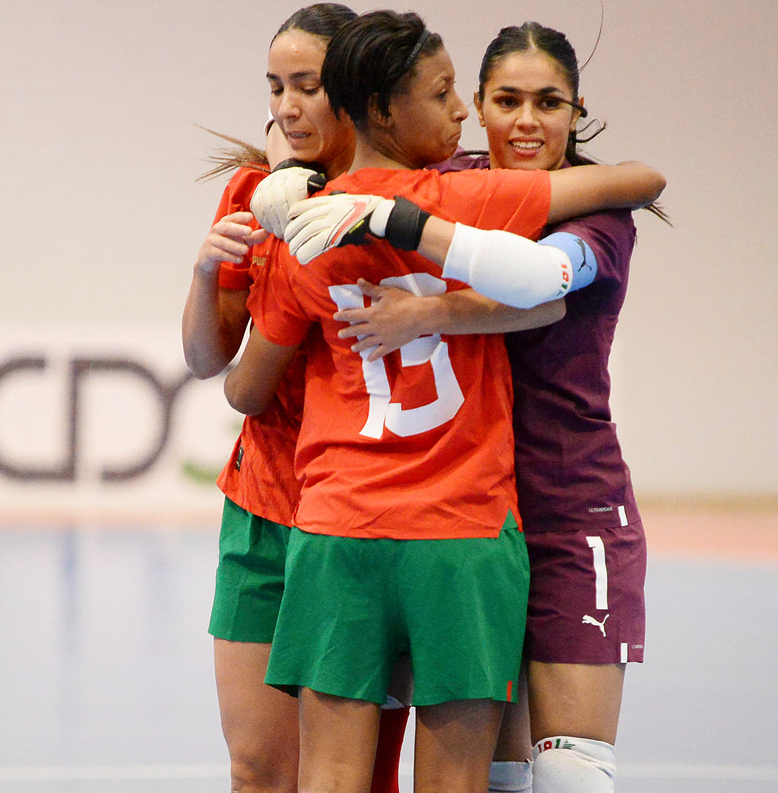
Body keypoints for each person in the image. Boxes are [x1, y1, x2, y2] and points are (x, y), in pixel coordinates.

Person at [225, 11, 664, 793]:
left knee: (561, 777)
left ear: (577, 111)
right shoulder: (465, 187)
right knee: (474, 775)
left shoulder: (530, 207)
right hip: (457, 521)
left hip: (543, 508)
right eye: (496, 98)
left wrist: (422, 293)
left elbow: (543, 286)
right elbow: (357, 150)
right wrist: (296, 176)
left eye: (550, 102)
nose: (517, 119)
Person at [180, 5, 412, 793]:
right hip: (261, 508)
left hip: (361, 515)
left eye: (306, 86)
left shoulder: (407, 203)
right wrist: (205, 272)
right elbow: (209, 362)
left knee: (352, 774)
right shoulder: (253, 194)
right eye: (275, 87)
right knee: (255, 769)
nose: (285, 105)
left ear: (353, 89)